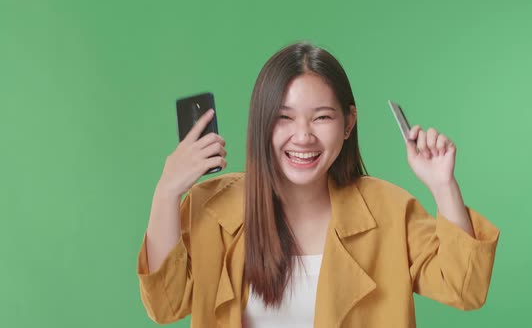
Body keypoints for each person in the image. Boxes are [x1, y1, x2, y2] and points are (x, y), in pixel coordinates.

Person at [136, 42, 500, 328]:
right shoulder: (213, 208)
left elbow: (464, 289)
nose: (303, 136)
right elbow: (166, 306)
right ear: (261, 123)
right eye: (284, 118)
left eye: (322, 117)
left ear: (348, 123)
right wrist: (167, 191)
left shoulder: (389, 209)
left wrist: (443, 186)